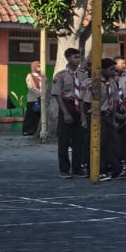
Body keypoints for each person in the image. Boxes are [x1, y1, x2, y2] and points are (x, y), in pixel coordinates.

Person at [50, 48, 89, 177]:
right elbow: (57, 95)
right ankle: (64, 169)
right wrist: (65, 112)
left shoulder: (83, 75)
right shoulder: (60, 75)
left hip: (80, 106)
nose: (78, 60)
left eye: (79, 57)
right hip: (67, 105)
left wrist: (83, 114)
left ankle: (77, 168)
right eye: (75, 57)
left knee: (79, 140)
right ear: (67, 58)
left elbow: (85, 93)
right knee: (64, 140)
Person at [22, 62, 44, 136]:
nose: (40, 67)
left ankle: (34, 130)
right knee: (30, 115)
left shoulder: (42, 76)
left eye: (40, 66)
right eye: (38, 66)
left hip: (41, 99)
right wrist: (40, 94)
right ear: (34, 66)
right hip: (33, 99)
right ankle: (26, 130)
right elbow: (31, 87)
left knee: (37, 116)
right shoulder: (30, 75)